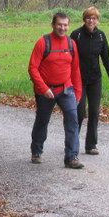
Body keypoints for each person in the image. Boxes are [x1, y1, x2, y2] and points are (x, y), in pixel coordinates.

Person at [27, 11, 83, 169]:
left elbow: (76, 70)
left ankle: (71, 157)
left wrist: (77, 92)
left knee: (73, 119)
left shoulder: (71, 44)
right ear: (53, 24)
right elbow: (33, 68)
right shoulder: (43, 43)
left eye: (65, 25)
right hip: (46, 91)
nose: (62, 28)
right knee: (42, 121)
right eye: (59, 24)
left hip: (66, 89)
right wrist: (43, 88)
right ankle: (36, 151)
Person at [70, 6, 109, 156]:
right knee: (79, 113)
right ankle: (73, 142)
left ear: (97, 20)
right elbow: (68, 59)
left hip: (95, 80)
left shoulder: (101, 37)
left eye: (94, 18)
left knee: (94, 112)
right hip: (79, 80)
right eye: (88, 18)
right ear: (84, 19)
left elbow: (106, 60)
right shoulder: (76, 35)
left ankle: (91, 145)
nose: (91, 21)